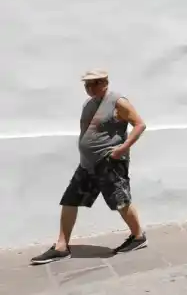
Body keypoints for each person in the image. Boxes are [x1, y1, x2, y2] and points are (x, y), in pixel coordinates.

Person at [31, 70, 148, 265]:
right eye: (86, 85)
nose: (89, 88)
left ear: (105, 83)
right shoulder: (89, 104)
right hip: (87, 164)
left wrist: (122, 149)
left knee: (121, 201)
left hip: (109, 162)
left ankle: (138, 237)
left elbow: (139, 125)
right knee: (70, 200)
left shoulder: (118, 101)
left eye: (94, 84)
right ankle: (61, 246)